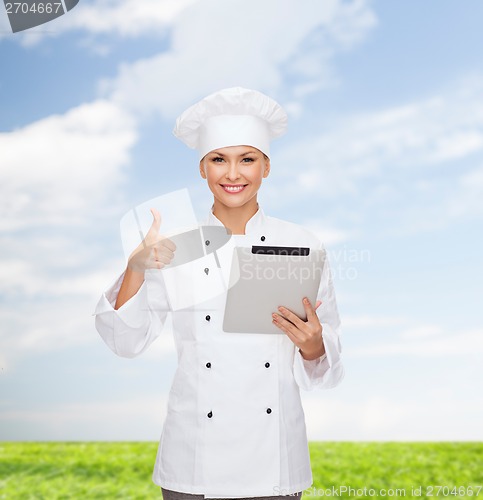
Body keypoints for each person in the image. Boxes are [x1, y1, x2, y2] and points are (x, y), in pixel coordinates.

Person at [93, 87, 344, 499]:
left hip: (275, 462)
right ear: (201, 169)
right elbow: (125, 341)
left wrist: (315, 346)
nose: (232, 174)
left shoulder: (303, 244)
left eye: (247, 159)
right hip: (194, 460)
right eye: (218, 160)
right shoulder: (174, 244)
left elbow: (327, 362)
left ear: (266, 167)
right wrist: (135, 266)